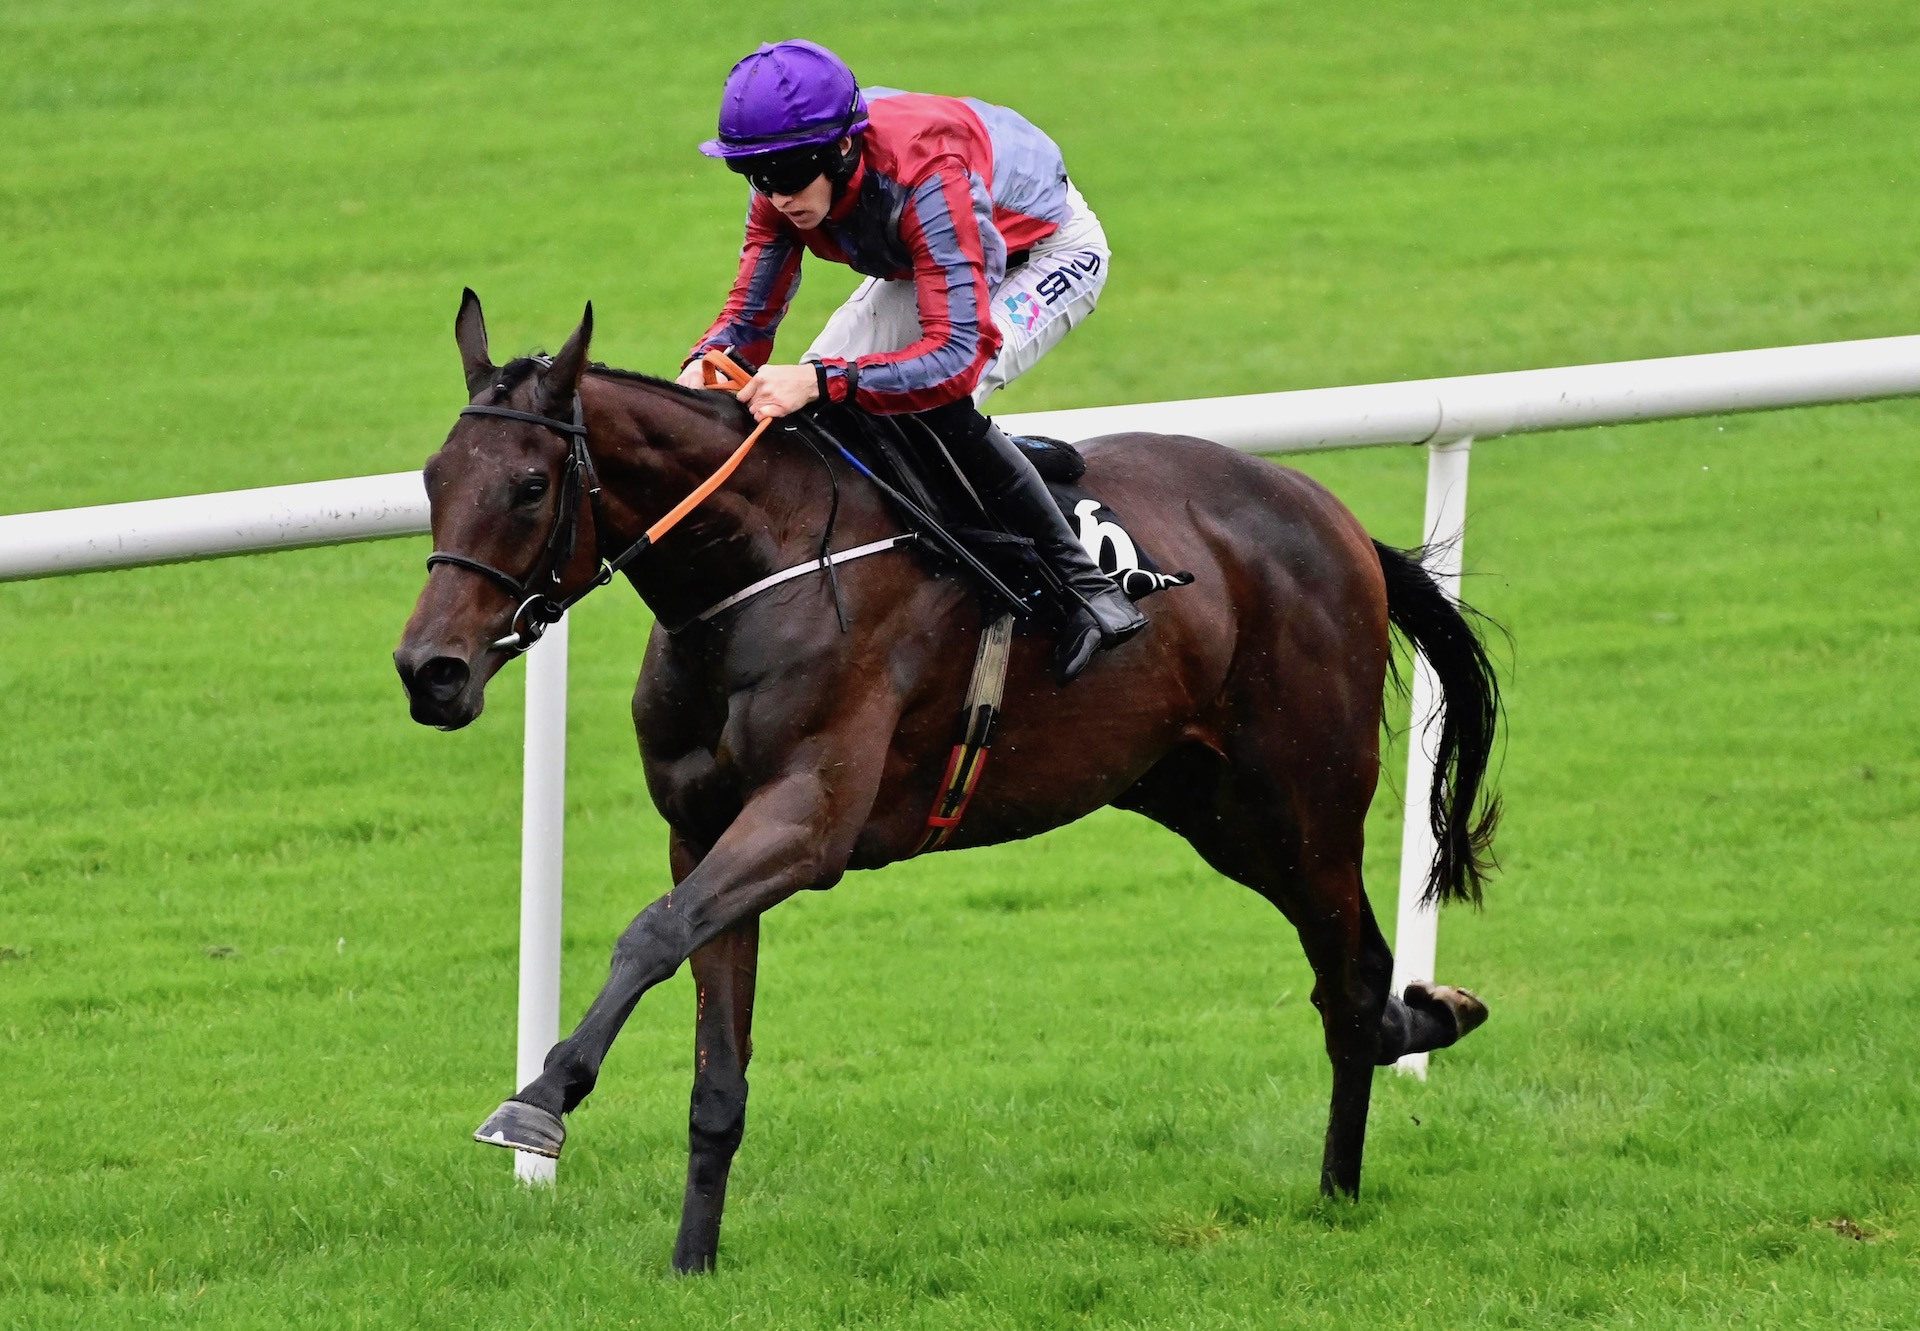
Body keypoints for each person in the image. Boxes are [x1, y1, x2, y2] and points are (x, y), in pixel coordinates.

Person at [676, 39, 1147, 683]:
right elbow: (748, 323)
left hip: (1044, 254)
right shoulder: (784, 183)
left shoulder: (928, 171)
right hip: (929, 256)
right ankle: (1008, 463)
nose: (777, 195)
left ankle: (1090, 592)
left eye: (789, 174)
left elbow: (952, 359)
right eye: (758, 176)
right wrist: (704, 368)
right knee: (814, 420)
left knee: (929, 405)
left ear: (841, 149)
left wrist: (823, 379)